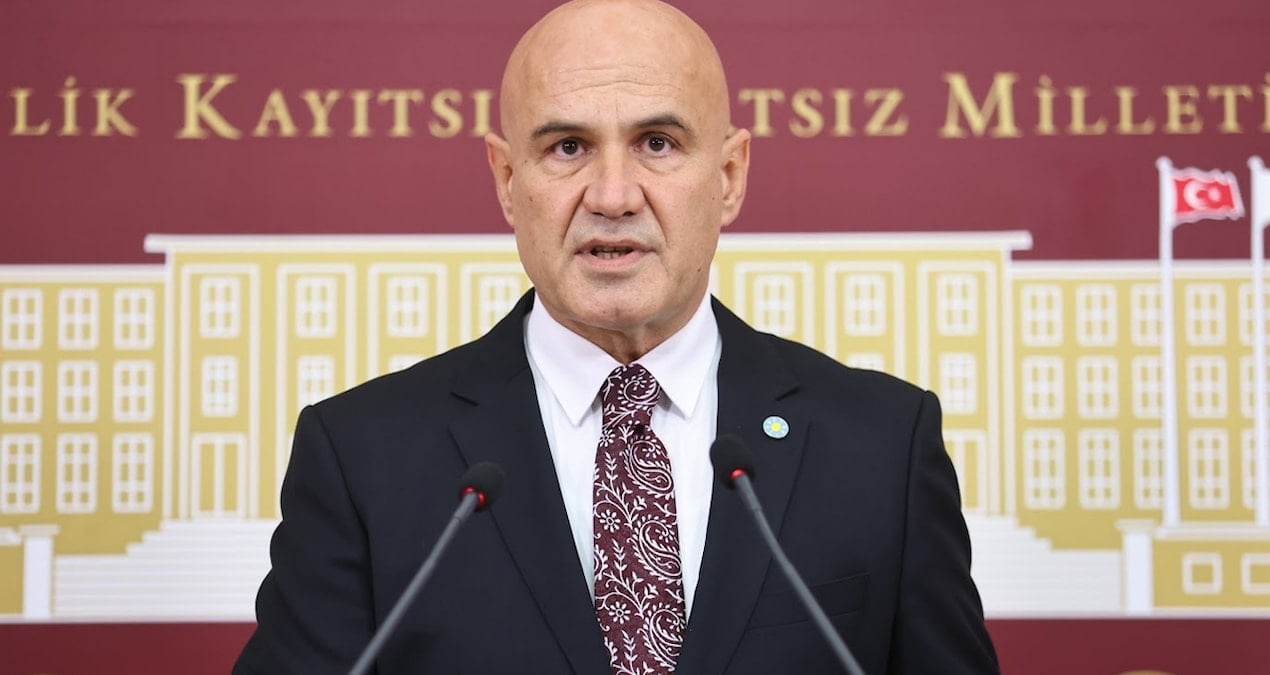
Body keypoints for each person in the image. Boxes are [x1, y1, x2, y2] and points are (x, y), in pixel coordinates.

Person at [233, 0, 1000, 673]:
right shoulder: (361, 457)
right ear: (507, 181)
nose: (612, 195)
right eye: (567, 147)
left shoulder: (882, 445)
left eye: (657, 143)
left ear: (729, 176)